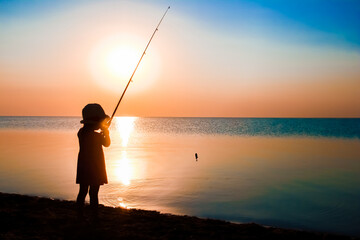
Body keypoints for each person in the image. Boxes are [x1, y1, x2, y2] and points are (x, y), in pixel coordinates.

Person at [76, 103, 111, 220]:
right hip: (95, 167)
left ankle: (79, 214)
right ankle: (94, 215)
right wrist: (106, 133)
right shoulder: (96, 136)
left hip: (83, 165)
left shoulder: (81, 133)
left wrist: (103, 131)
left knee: (83, 191)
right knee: (94, 193)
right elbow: (107, 144)